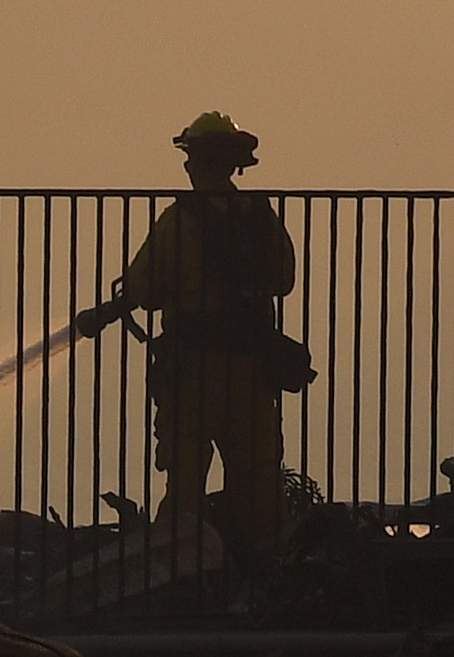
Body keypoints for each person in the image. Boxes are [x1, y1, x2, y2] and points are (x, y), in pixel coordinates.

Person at [85, 109, 303, 569]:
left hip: (193, 372)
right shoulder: (263, 217)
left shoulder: (179, 220)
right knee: (259, 476)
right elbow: (283, 279)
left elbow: (142, 289)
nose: (185, 167)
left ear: (199, 162)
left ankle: (173, 571)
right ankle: (271, 569)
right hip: (252, 371)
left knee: (185, 475)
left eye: (189, 158)